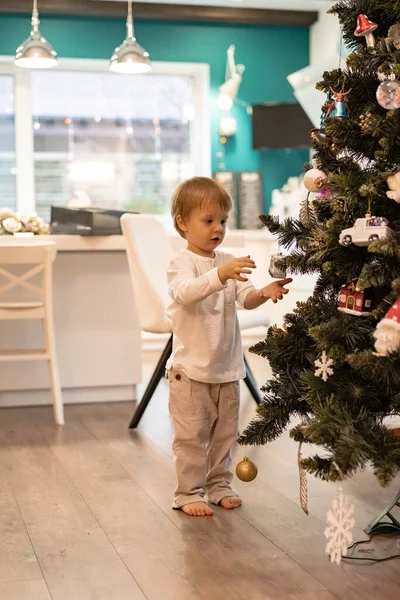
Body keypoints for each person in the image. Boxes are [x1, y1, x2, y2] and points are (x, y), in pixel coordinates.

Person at [167, 176, 292, 516]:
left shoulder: (227, 259)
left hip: (227, 369)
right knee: (192, 437)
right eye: (208, 221)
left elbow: (244, 299)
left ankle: (218, 484)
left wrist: (263, 293)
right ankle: (188, 492)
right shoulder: (182, 264)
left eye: (222, 221)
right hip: (190, 373)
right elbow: (185, 293)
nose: (217, 228)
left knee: (225, 434)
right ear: (183, 223)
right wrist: (220, 274)